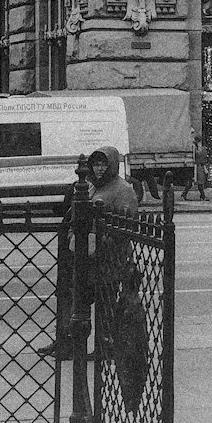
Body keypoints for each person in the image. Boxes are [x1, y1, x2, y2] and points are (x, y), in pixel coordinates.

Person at [39, 145, 139, 360]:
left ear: (112, 165)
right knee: (73, 298)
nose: (99, 168)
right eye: (96, 164)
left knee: (105, 302)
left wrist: (103, 238)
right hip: (84, 256)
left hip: (107, 258)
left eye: (103, 164)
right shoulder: (91, 186)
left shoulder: (122, 189)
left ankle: (105, 346)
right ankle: (66, 342)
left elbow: (127, 226)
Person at [182, 134, 210, 202]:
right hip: (197, 166)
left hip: (199, 165)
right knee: (198, 181)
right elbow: (196, 156)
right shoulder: (194, 146)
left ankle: (185, 194)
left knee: (197, 181)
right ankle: (202, 196)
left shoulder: (196, 146)